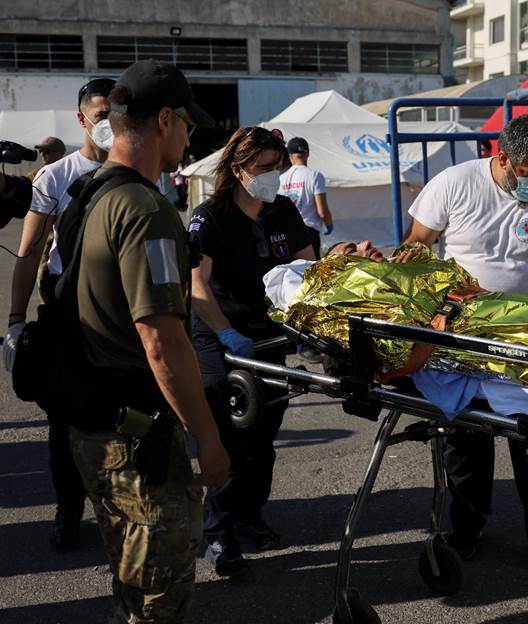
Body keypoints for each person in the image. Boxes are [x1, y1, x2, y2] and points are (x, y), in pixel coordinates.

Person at [403, 113, 528, 570]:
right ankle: (464, 530)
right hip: (461, 329)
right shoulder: (455, 184)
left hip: (526, 333)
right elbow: (417, 242)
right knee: (464, 440)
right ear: (503, 159)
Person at [67, 59, 229, 623]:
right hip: (136, 440)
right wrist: (208, 439)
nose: (189, 137)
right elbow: (161, 341)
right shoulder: (144, 209)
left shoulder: (91, 192)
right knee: (158, 597)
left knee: (130, 581)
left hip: (97, 425)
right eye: (187, 124)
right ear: (165, 120)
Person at [189, 126, 319, 576]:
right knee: (230, 437)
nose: (273, 176)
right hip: (220, 336)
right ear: (238, 169)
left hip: (269, 336)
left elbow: (309, 270)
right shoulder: (210, 218)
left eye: (277, 167)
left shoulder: (282, 211)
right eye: (263, 169)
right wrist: (226, 332)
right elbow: (197, 287)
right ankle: (217, 532)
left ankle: (249, 516)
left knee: (263, 439)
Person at [3, 77, 114, 550]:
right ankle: (68, 511)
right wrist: (14, 321)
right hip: (67, 315)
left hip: (121, 317)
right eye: (100, 113)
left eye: (116, 113)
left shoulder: (140, 172)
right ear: (82, 118)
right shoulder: (56, 176)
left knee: (124, 419)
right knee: (64, 424)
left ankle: (118, 511)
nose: (108, 122)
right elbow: (28, 254)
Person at [278, 136, 332, 260]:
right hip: (308, 231)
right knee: (311, 272)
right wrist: (329, 224)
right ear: (307, 154)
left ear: (290, 155)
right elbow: (322, 211)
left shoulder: (281, 178)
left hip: (288, 231)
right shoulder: (314, 176)